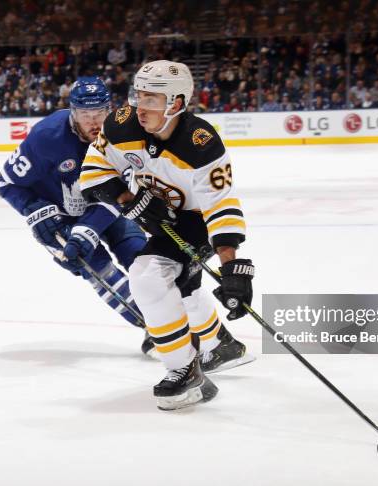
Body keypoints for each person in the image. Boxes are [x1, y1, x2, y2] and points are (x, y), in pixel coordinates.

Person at [79, 61, 255, 410]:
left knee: (148, 277)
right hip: (159, 216)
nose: (141, 107)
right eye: (138, 95)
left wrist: (232, 267)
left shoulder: (201, 144)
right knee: (179, 284)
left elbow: (220, 206)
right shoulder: (120, 123)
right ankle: (222, 347)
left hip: (194, 221)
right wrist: (131, 201)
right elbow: (93, 172)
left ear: (176, 103)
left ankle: (183, 370)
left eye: (152, 99)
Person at [0, 77, 154, 356]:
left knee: (144, 260)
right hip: (60, 219)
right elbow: (6, 183)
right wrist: (34, 210)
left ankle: (178, 321)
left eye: (100, 114)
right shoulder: (47, 137)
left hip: (108, 207)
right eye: (85, 115)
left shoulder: (123, 133)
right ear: (72, 112)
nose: (94, 122)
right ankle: (155, 330)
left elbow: (124, 191)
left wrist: (90, 228)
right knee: (99, 272)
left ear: (110, 109)